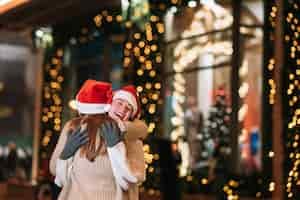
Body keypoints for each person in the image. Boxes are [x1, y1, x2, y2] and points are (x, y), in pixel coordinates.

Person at [50, 80, 147, 200]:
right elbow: (56, 172)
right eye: (119, 103)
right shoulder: (75, 127)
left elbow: (132, 179)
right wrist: (65, 155)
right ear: (109, 103)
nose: (122, 110)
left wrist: (116, 147)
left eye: (129, 109)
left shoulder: (131, 137)